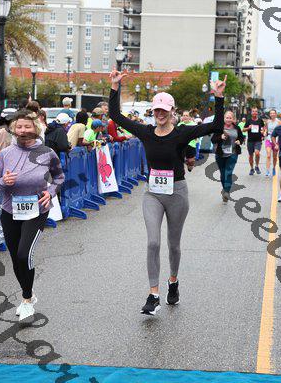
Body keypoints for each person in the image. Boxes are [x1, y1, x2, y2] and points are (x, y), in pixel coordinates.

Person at [108, 68, 225, 316]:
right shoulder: (145, 132)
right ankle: (153, 295)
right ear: (153, 112)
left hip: (177, 193)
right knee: (153, 242)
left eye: (164, 110)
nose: (160, 114)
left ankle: (173, 281)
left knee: (174, 245)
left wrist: (218, 97)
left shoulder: (182, 133)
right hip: (153, 194)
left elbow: (216, 125)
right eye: (156, 110)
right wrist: (115, 87)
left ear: (172, 111)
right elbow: (115, 116)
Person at [0, 110, 64, 324]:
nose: (23, 130)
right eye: (19, 127)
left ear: (35, 128)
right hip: (10, 210)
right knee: (15, 257)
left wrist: (50, 192)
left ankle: (27, 300)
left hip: (37, 210)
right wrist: (4, 182)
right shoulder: (6, 154)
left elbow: (59, 177)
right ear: (14, 129)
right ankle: (27, 294)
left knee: (24, 254)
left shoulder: (47, 153)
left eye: (27, 126)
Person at [211, 110, 244, 202]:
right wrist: (220, 137)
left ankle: (226, 191)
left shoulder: (237, 128)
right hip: (220, 154)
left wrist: (239, 141)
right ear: (224, 118)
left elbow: (241, 138)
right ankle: (225, 189)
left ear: (233, 119)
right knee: (223, 174)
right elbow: (213, 140)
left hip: (233, 153)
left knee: (228, 172)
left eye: (230, 118)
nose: (228, 119)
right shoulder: (219, 128)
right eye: (227, 118)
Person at [242, 107, 264, 175]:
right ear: (251, 113)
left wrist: (263, 131)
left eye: (256, 111)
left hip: (258, 140)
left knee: (257, 153)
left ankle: (256, 166)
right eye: (253, 111)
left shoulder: (260, 120)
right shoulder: (248, 121)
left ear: (257, 113)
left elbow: (263, 128)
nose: (254, 112)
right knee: (251, 155)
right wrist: (249, 128)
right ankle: (251, 169)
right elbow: (243, 130)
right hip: (250, 141)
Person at [264, 109, 281, 177]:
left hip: (276, 140)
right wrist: (265, 132)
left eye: (273, 113)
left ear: (275, 114)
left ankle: (274, 168)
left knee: (275, 157)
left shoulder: (279, 122)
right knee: (268, 155)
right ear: (270, 114)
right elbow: (265, 129)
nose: (272, 114)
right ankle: (267, 170)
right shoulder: (267, 122)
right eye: (271, 113)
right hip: (268, 139)